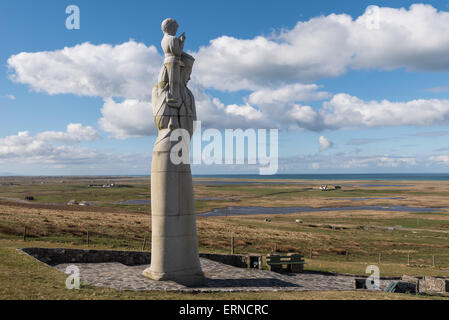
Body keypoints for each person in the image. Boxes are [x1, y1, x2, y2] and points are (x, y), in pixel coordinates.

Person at [160, 18, 185, 108]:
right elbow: (178, 52)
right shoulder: (173, 39)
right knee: (174, 81)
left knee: (170, 81)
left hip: (166, 61)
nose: (176, 31)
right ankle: (174, 98)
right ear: (172, 28)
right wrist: (181, 42)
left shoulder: (163, 40)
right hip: (174, 62)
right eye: (175, 29)